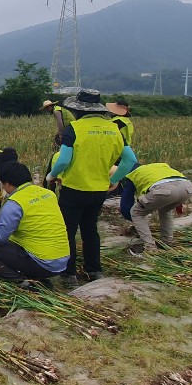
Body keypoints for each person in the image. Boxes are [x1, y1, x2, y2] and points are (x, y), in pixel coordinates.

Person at [46, 90, 137, 286]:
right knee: (90, 230)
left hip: (74, 190)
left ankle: (68, 274)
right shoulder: (114, 129)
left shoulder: (74, 129)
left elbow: (63, 161)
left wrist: (51, 176)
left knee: (68, 231)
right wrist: (116, 179)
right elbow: (130, 160)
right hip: (99, 191)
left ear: (78, 110)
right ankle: (94, 270)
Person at [0, 162, 70, 288]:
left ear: (7, 183)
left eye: (2, 183)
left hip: (45, 263)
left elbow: (0, 237)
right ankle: (39, 279)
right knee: (14, 242)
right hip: (62, 261)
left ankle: (22, 282)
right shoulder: (48, 193)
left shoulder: (14, 203)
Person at [115, 162, 192, 255]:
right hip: (188, 188)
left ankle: (150, 247)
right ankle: (167, 242)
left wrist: (134, 221)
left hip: (164, 190)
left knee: (136, 212)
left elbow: (126, 206)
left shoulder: (131, 175)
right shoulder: (159, 165)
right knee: (165, 210)